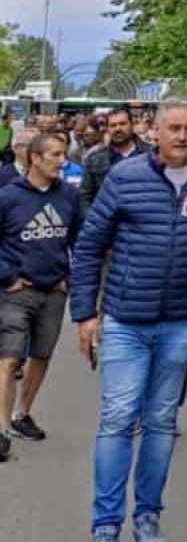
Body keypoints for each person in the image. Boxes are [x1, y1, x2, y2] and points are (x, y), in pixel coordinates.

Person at [71, 99, 187, 542]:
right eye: (174, 128)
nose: (182, 136)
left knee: (161, 422)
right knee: (117, 418)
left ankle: (148, 516)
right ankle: (106, 522)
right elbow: (90, 247)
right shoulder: (125, 177)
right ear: (156, 132)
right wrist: (85, 315)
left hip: (181, 323)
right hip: (126, 320)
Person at [0, 131, 81, 447]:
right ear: (35, 158)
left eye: (64, 154)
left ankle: (23, 414)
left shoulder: (68, 197)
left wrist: (69, 279)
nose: (63, 162)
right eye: (56, 155)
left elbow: (79, 238)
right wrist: (7, 277)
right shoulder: (8, 197)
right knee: (9, 358)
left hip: (54, 290)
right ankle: (2, 428)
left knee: (41, 355)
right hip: (16, 291)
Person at [79, 108, 151, 212]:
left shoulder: (151, 154)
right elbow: (85, 197)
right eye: (113, 125)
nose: (118, 129)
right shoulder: (95, 159)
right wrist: (93, 222)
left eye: (122, 124)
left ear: (131, 125)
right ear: (107, 129)